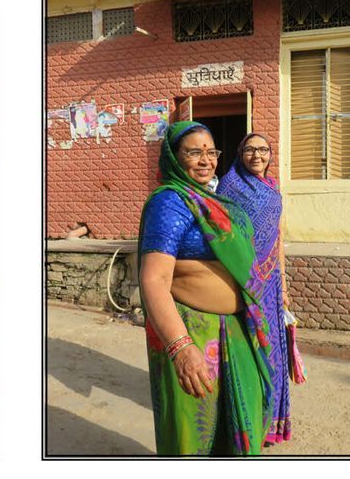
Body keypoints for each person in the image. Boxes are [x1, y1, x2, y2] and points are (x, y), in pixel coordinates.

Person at [137, 121, 268, 455]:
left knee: (235, 430)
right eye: (194, 152)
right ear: (173, 157)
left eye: (211, 152)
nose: (206, 160)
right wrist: (181, 348)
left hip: (236, 330)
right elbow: (154, 279)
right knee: (194, 439)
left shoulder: (213, 200)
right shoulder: (170, 202)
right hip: (194, 333)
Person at [217, 133, 307, 446]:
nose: (258, 155)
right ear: (240, 153)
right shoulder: (229, 187)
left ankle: (271, 421)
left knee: (273, 352)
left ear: (271, 154)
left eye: (264, 150)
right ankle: (246, 418)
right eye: (251, 149)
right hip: (242, 281)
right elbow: (224, 237)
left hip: (270, 284)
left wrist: (282, 286)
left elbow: (278, 236)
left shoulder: (271, 189)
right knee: (248, 349)